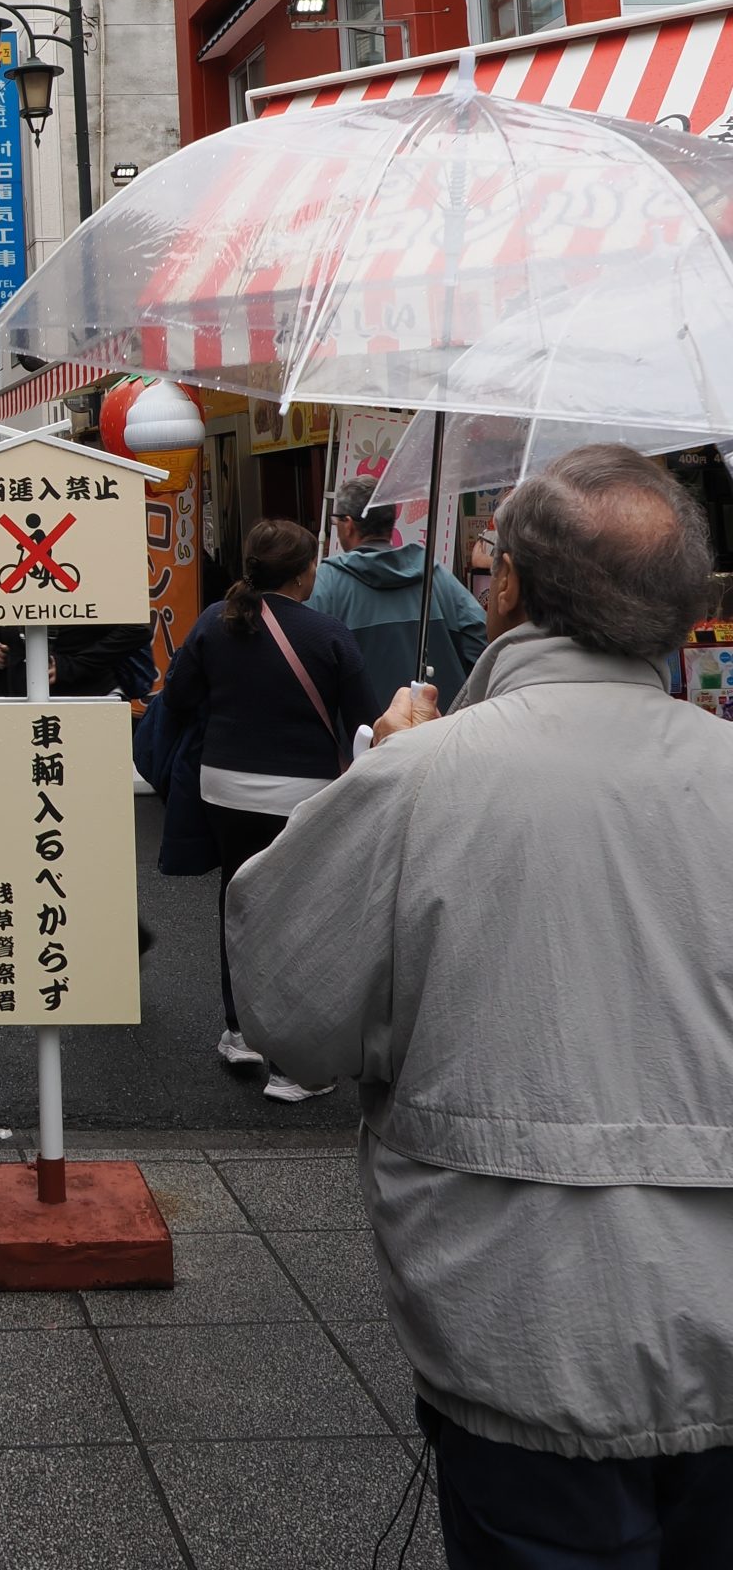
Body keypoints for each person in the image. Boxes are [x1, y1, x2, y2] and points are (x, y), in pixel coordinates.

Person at [228, 448, 733, 1562]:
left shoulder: (421, 779)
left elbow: (287, 1010)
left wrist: (380, 780)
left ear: (504, 588)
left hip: (523, 1323)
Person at [160, 519, 376, 1103]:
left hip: (224, 785)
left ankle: (239, 1030)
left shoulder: (214, 622)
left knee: (240, 901)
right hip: (302, 794)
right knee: (302, 914)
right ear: (307, 572)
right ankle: (291, 1065)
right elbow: (365, 721)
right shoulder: (329, 634)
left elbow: (177, 699)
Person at [310, 476, 486, 711]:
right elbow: (482, 642)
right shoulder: (435, 575)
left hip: (365, 739)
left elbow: (307, 663)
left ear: (348, 523)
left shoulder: (326, 583)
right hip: (437, 729)